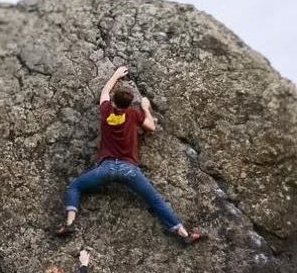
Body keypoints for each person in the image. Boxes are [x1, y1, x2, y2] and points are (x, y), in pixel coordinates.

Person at [57, 66, 202, 244]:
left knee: (75, 187)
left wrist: (116, 75)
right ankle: (183, 234)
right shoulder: (133, 114)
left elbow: (104, 92)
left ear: (114, 101)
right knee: (155, 200)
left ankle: (70, 223)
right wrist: (146, 108)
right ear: (129, 104)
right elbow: (151, 127)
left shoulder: (106, 111)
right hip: (129, 169)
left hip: (106, 168)